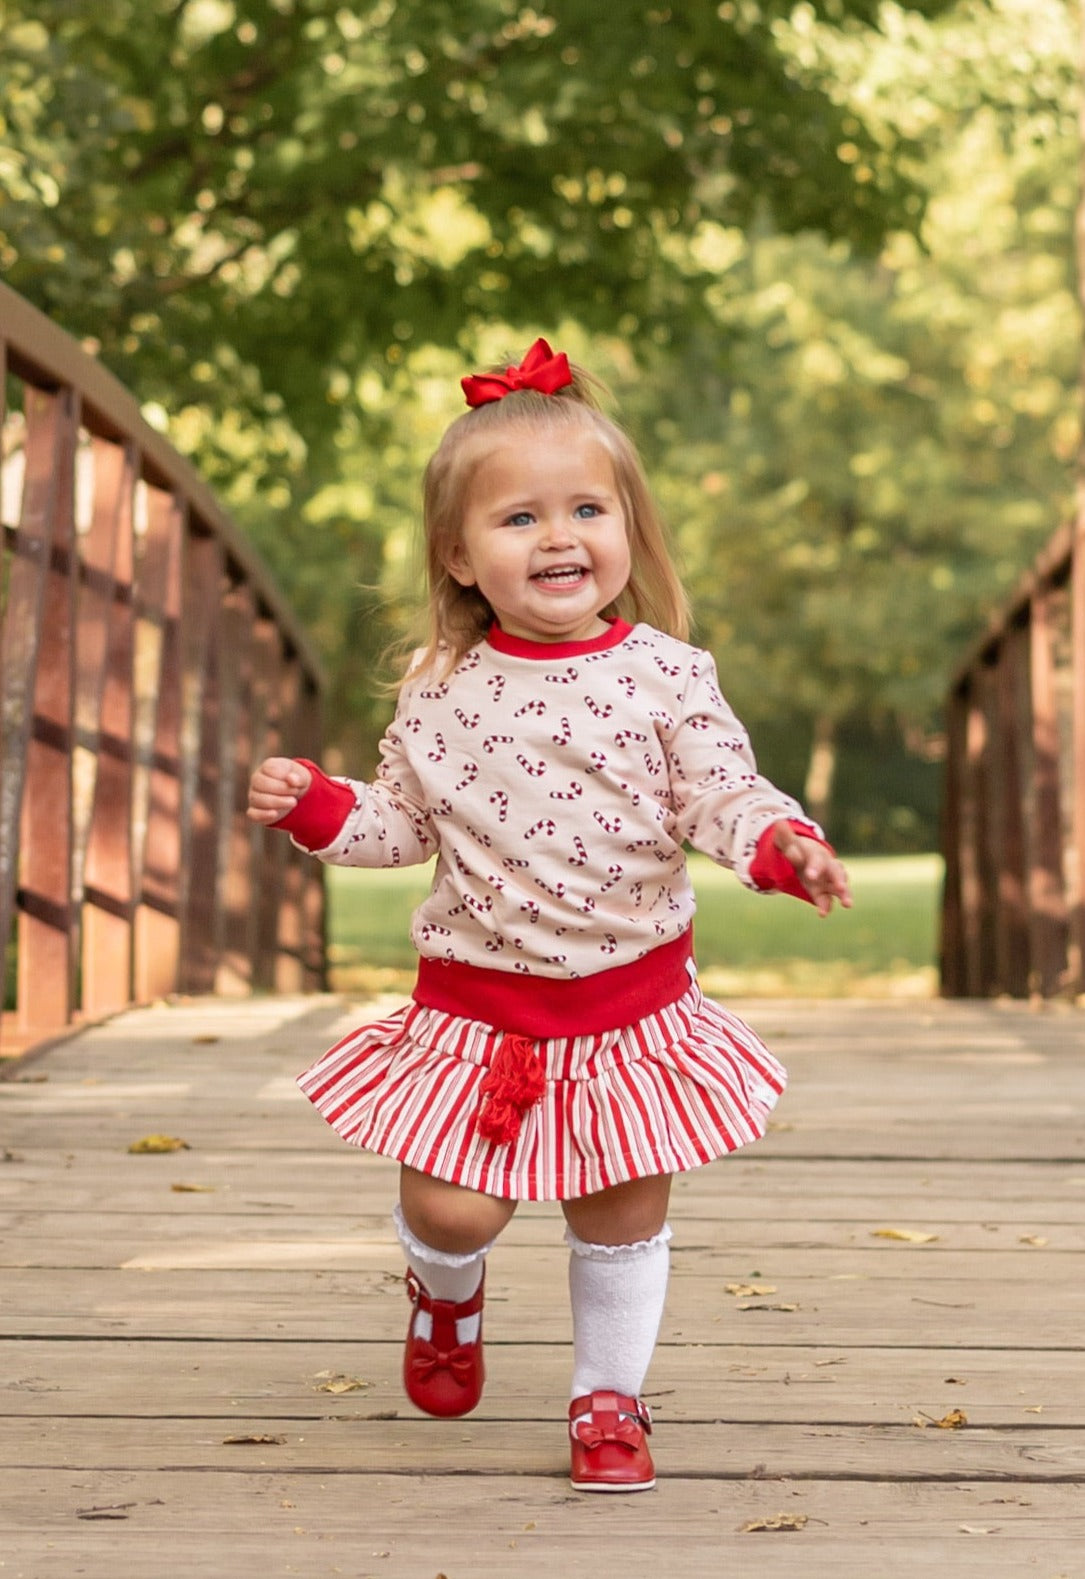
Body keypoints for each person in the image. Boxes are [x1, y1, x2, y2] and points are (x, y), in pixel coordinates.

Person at [248, 338, 851, 1493]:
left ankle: (607, 1401)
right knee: (455, 1208)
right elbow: (401, 826)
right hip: (482, 1014)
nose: (560, 536)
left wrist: (780, 846)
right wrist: (320, 808)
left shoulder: (671, 675)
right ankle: (444, 1295)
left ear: (628, 530)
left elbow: (720, 792)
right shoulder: (441, 689)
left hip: (632, 1011)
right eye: (519, 519)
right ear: (461, 558)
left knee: (617, 1210)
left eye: (587, 508)